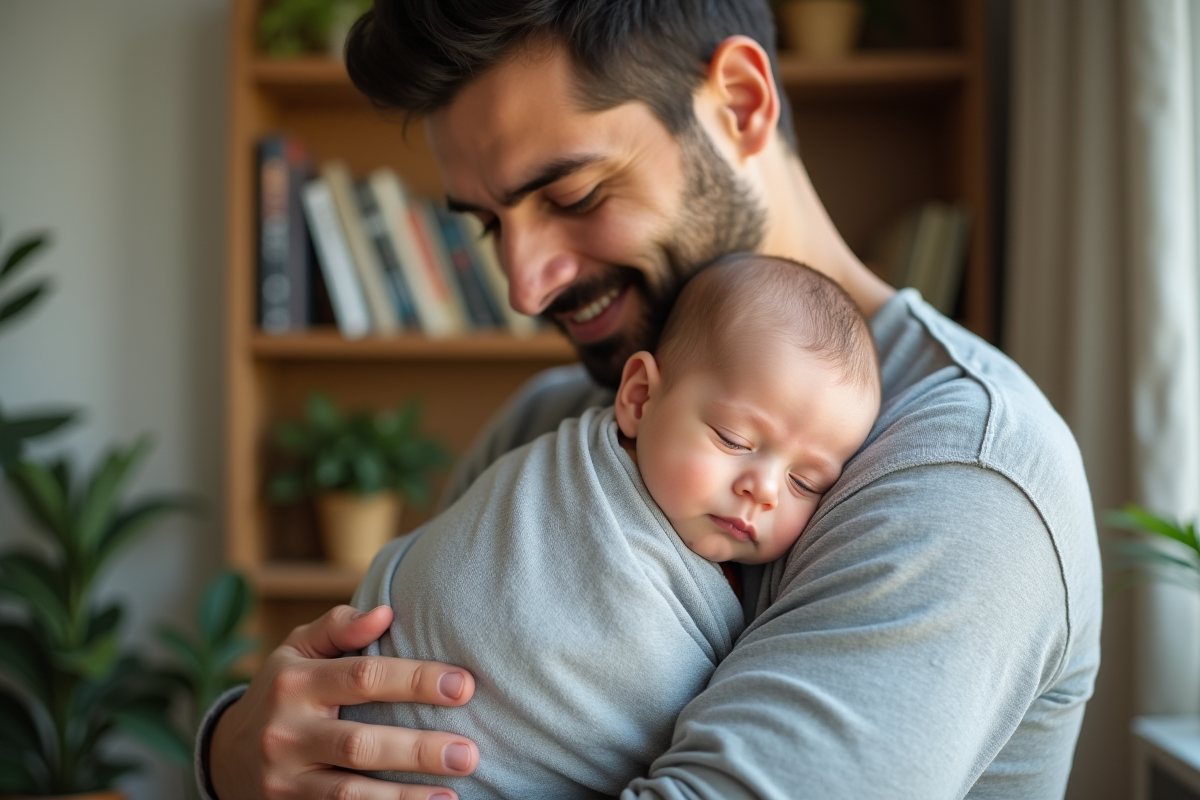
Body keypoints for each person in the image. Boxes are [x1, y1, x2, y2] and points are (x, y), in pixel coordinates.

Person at [200, 2, 1103, 798]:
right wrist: (234, 750)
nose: (523, 286)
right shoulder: (549, 418)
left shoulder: (963, 475)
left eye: (573, 193)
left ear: (741, 105)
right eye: (487, 224)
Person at [339, 254, 881, 798]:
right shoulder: (559, 471)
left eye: (805, 483)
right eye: (733, 439)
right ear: (639, 397)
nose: (762, 490)